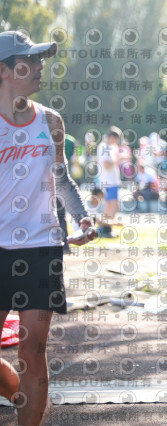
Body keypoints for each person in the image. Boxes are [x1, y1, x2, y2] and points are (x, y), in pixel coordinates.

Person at [0, 30, 96, 426]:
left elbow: (62, 180)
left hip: (42, 246)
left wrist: (83, 216)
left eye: (40, 59)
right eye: (29, 60)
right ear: (4, 70)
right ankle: (23, 398)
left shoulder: (51, 121)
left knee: (32, 351)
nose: (39, 66)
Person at [96, 129, 122, 226]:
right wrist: (119, 159)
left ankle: (106, 223)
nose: (116, 142)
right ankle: (107, 224)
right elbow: (106, 165)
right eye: (116, 139)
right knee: (113, 204)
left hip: (110, 180)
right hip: (108, 181)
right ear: (111, 137)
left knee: (112, 204)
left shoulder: (108, 147)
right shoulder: (104, 147)